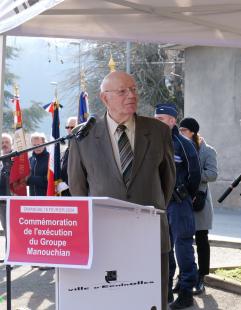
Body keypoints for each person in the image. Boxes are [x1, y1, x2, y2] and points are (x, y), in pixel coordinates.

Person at [68, 71, 176, 310]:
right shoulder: (83, 137)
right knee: (109, 302)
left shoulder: (158, 131)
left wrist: (151, 210)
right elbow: (78, 188)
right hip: (104, 237)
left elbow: (168, 181)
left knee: (151, 302)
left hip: (150, 236)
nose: (131, 95)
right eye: (122, 91)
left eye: (134, 89)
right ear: (105, 98)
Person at [154, 104, 201, 309]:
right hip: (157, 204)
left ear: (173, 121)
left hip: (179, 202)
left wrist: (185, 194)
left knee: (182, 246)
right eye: (156, 118)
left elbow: (195, 174)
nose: (157, 122)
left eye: (162, 118)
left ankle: (186, 291)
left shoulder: (183, 144)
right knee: (162, 248)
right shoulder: (149, 142)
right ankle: (165, 291)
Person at [179, 117, 218, 295]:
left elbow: (212, 174)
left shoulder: (208, 151)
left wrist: (194, 174)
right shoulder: (178, 147)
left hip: (200, 200)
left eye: (184, 130)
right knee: (182, 241)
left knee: (201, 240)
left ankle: (201, 278)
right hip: (181, 199)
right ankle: (185, 277)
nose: (181, 133)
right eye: (179, 130)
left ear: (193, 132)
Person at [0, 133, 14, 248]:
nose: (4, 145)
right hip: (1, 202)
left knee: (12, 229)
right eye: (2, 142)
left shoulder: (16, 159)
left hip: (12, 200)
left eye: (6, 142)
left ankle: (11, 256)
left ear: (11, 144)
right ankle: (8, 253)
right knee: (5, 228)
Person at [59, 116, 77, 196]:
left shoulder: (82, 146)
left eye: (72, 127)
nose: (69, 129)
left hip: (76, 191)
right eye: (67, 127)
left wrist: (67, 183)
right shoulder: (68, 147)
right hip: (65, 192)